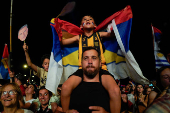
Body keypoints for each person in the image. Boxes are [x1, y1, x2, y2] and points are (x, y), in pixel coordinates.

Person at [61, 15, 117, 112]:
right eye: (85, 19)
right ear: (81, 26)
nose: (87, 20)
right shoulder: (79, 38)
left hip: (101, 68)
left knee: (115, 90)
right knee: (65, 87)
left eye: (90, 19)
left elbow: (114, 34)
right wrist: (56, 28)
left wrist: (115, 25)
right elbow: (63, 42)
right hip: (82, 69)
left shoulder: (99, 35)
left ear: (95, 25)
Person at [64, 47, 121, 113]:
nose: (90, 62)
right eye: (86, 58)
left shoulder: (111, 89)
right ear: (81, 63)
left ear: (100, 63)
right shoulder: (71, 89)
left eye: (94, 58)